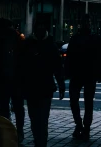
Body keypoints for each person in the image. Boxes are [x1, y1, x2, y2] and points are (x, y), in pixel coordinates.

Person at [18, 18, 65, 147]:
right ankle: (39, 140)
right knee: (35, 118)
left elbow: (57, 66)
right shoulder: (33, 44)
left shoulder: (46, 44)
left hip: (43, 86)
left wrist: (61, 83)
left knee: (42, 119)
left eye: (42, 26)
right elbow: (21, 67)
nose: (40, 29)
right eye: (39, 26)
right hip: (34, 86)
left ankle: (41, 142)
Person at [66, 15, 101, 141]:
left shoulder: (77, 38)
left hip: (82, 74)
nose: (86, 24)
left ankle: (82, 126)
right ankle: (82, 126)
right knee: (85, 102)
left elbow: (99, 57)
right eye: (85, 22)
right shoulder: (93, 38)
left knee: (82, 101)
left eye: (87, 22)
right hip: (86, 74)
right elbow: (99, 57)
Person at [0, 17, 26, 143]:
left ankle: (6, 130)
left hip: (2, 79)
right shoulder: (18, 39)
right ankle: (19, 131)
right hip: (16, 79)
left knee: (4, 107)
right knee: (18, 107)